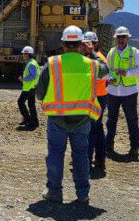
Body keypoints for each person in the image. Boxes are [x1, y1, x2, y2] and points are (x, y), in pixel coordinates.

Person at [36, 25, 109, 204]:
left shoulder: (52, 64)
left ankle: (54, 192)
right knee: (81, 156)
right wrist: (91, 53)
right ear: (80, 44)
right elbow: (106, 70)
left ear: (62, 43)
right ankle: (82, 194)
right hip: (82, 119)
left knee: (55, 155)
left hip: (57, 119)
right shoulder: (92, 65)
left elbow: (39, 94)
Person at [105, 26, 139, 159]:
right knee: (111, 121)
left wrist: (127, 73)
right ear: (116, 38)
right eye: (119, 37)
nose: (121, 39)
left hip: (129, 92)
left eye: (123, 37)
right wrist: (108, 78)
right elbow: (106, 69)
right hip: (113, 92)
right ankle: (108, 147)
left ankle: (134, 148)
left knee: (132, 121)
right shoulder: (111, 52)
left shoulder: (134, 52)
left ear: (127, 38)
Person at [83, 31, 109, 174]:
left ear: (95, 44)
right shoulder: (92, 58)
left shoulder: (97, 58)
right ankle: (100, 159)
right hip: (97, 97)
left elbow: (103, 75)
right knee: (97, 129)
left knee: (91, 130)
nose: (86, 47)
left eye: (89, 44)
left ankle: (87, 160)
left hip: (97, 98)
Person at [16, 46, 40, 130]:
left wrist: (23, 79)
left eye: (24, 53)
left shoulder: (31, 63)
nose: (23, 55)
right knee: (31, 105)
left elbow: (32, 76)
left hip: (29, 88)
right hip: (31, 87)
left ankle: (28, 120)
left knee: (20, 102)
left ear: (28, 54)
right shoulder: (32, 62)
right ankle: (34, 122)